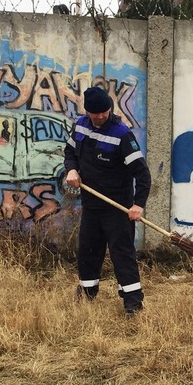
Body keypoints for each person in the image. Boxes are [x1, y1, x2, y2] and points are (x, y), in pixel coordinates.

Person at [64, 86, 152, 314]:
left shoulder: (122, 134)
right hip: (91, 205)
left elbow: (142, 173)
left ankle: (133, 303)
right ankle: (86, 294)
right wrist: (72, 170)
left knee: (122, 254)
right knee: (88, 251)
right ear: (87, 112)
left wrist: (138, 205)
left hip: (118, 208)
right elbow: (69, 153)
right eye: (97, 113)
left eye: (106, 111)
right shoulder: (80, 125)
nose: (102, 116)